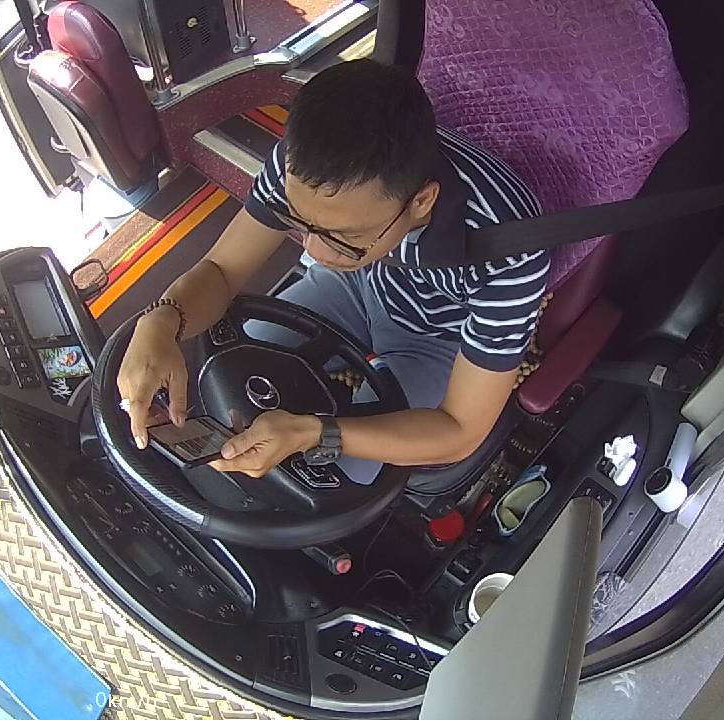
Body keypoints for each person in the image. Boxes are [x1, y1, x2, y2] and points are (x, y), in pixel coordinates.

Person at [116, 58, 548, 484]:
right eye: (300, 222)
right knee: (230, 373)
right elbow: (222, 268)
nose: (314, 251)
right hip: (355, 284)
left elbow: (459, 429)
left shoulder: (509, 253)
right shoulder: (305, 165)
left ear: (421, 202)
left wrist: (317, 434)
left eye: (344, 236)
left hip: (438, 337)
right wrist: (163, 319)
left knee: (341, 473)